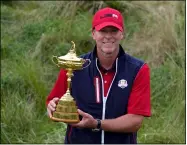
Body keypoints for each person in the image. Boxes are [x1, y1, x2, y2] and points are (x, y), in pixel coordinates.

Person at [46, 7, 151, 144]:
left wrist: (96, 123)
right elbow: (53, 102)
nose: (108, 36)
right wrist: (52, 106)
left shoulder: (138, 70)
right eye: (103, 31)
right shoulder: (73, 66)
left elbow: (135, 121)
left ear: (122, 34)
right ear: (93, 33)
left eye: (113, 31)